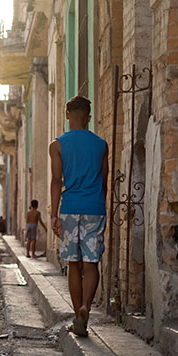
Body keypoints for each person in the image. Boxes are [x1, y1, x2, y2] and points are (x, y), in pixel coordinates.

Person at [50, 95, 109, 338]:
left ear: (66, 115)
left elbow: (56, 181)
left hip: (70, 207)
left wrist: (53, 214)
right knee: (91, 262)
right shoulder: (101, 144)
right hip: (94, 207)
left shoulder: (58, 145)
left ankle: (78, 316)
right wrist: (99, 204)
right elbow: (104, 183)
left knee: (73, 263)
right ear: (89, 117)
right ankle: (87, 305)